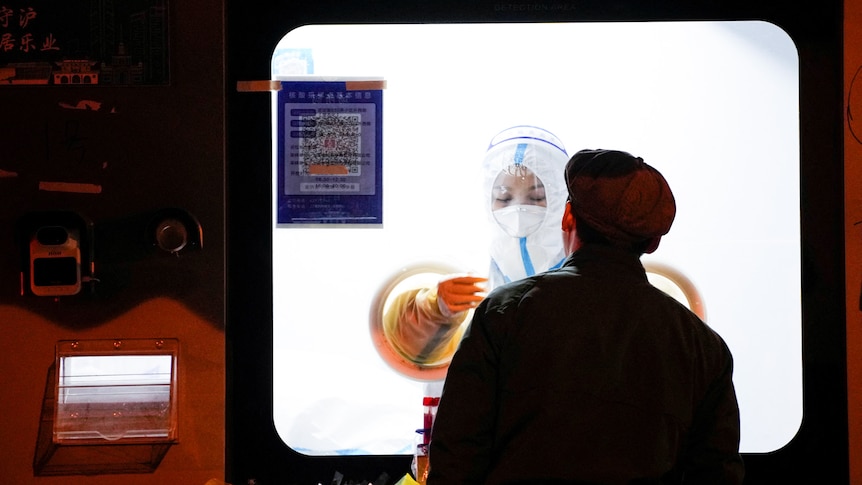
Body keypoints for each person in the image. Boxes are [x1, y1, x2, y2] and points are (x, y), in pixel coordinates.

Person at [427, 149, 744, 484]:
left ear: (567, 217)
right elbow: (717, 475)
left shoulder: (504, 312)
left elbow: (456, 460)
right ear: (653, 242)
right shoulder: (702, 346)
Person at [382, 126, 571, 365]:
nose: (519, 211)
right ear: (487, 200)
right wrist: (435, 310)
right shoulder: (467, 272)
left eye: (536, 198)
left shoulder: (588, 276)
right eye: (504, 198)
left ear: (561, 201)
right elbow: (406, 348)